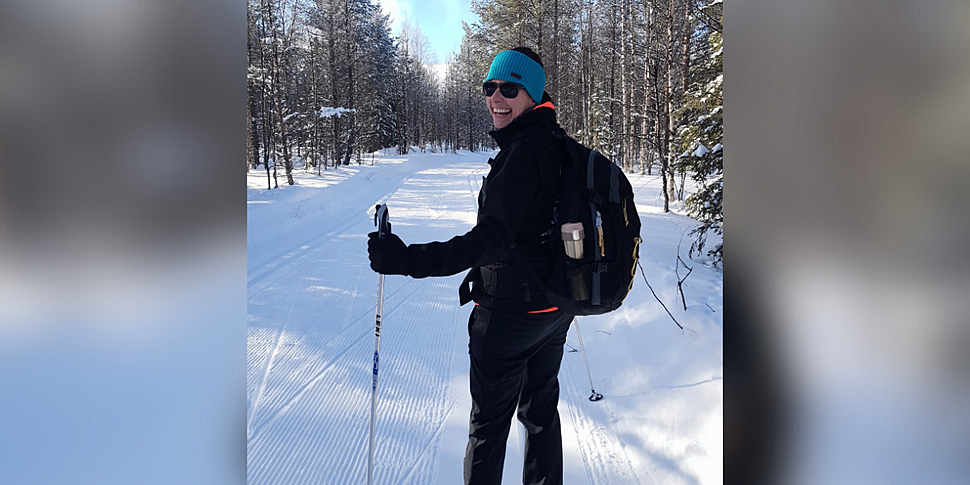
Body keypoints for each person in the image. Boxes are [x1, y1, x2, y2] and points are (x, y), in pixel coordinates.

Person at [368, 47, 572, 485]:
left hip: (508, 316)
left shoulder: (523, 154)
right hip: (555, 309)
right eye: (490, 87)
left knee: (488, 427)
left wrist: (406, 259)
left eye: (510, 89)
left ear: (532, 95)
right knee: (540, 413)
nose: (497, 98)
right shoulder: (558, 144)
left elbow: (488, 243)